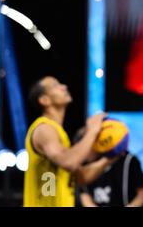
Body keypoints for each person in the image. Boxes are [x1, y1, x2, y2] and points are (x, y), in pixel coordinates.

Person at [23, 76, 116, 207]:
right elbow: (69, 162)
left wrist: (111, 157)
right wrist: (92, 131)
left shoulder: (60, 135)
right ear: (44, 100)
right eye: (56, 86)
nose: (64, 86)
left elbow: (82, 176)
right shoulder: (44, 129)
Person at [73, 128, 143, 207]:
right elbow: (83, 192)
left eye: (85, 149)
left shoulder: (127, 160)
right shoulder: (82, 164)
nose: (83, 155)